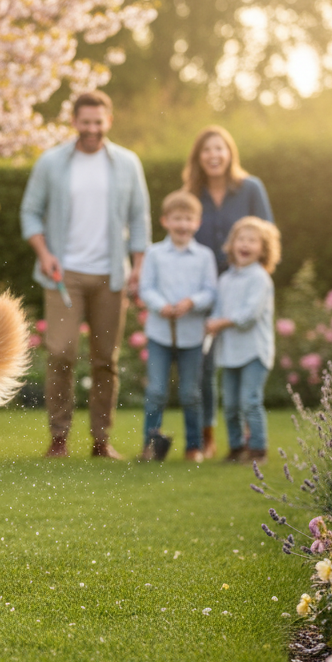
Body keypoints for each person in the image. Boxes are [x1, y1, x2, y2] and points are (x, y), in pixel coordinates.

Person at [20, 90, 151, 459]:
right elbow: (30, 212)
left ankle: (100, 441)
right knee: (60, 352)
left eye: (98, 122)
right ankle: (58, 438)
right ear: (74, 122)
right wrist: (44, 254)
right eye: (85, 122)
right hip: (65, 275)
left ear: (108, 122)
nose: (92, 129)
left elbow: (140, 218)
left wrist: (138, 267)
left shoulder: (127, 163)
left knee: (105, 358)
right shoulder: (52, 162)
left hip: (110, 275)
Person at [182, 126, 273, 459]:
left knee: (243, 361)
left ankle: (251, 440)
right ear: (198, 157)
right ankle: (209, 435)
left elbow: (267, 233)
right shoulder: (191, 193)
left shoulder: (250, 189)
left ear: (229, 153)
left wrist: (255, 276)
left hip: (244, 284)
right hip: (207, 290)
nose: (213, 155)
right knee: (206, 367)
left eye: (219, 149)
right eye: (206, 150)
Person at [137, 191, 217, 462]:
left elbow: (210, 292)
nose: (182, 224)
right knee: (156, 391)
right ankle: (150, 446)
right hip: (160, 333)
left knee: (190, 393)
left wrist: (191, 302)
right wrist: (161, 305)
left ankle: (193, 447)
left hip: (191, 335)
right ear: (165, 221)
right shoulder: (154, 253)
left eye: (188, 219)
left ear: (197, 222)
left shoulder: (204, 256)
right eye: (177, 219)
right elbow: (146, 287)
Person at [205, 216, 281, 464]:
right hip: (229, 351)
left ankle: (258, 450)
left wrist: (221, 322)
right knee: (230, 404)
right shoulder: (226, 279)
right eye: (241, 239)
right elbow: (218, 310)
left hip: (254, 351)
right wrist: (212, 323)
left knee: (249, 400)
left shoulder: (260, 278)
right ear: (232, 244)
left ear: (263, 249)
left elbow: (248, 316)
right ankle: (236, 448)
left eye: (253, 240)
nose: (245, 244)